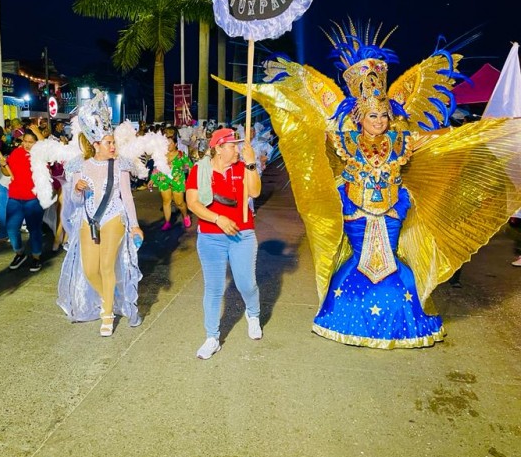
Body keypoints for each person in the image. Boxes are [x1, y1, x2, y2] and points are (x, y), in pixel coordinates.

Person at [217, 20, 521, 348]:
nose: (378, 121)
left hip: (392, 211)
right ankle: (348, 315)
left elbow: (438, 140)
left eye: (383, 116)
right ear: (359, 117)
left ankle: (399, 320)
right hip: (354, 211)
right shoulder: (343, 139)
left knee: (394, 265)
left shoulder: (401, 140)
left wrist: (478, 135)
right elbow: (310, 129)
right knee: (357, 262)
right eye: (372, 116)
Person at [54, 91, 145, 336]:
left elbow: (126, 197)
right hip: (88, 221)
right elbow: (73, 201)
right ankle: (109, 298)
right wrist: (77, 188)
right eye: (108, 142)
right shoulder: (79, 166)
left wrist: (134, 225)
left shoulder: (121, 165)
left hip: (114, 217)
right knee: (90, 269)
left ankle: (107, 315)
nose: (113, 146)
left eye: (113, 141)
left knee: (107, 266)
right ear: (95, 144)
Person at [186, 128, 263, 359]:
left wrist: (251, 164)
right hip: (211, 237)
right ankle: (212, 337)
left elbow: (255, 192)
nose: (237, 149)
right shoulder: (200, 170)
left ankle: (253, 313)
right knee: (214, 287)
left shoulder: (242, 167)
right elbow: (193, 203)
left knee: (246, 283)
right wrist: (218, 219)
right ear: (219, 148)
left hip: (243, 234)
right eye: (232, 145)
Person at [1, 128, 45, 272]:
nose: (27, 144)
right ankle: (19, 253)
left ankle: (36, 257)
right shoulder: (16, 153)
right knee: (11, 228)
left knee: (34, 230)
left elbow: (46, 147)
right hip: (15, 197)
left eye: (31, 142)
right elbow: (7, 172)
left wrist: (38, 133)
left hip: (33, 199)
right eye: (25, 141)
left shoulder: (40, 155)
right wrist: (3, 165)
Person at [149, 126, 193, 231]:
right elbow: (156, 169)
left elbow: (190, 166)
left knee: (179, 203)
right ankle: (167, 222)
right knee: (166, 201)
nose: (168, 146)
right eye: (166, 143)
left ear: (176, 144)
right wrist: (152, 179)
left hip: (177, 181)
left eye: (170, 143)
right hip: (163, 180)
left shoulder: (181, 155)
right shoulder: (161, 155)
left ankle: (185, 216)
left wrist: (190, 180)